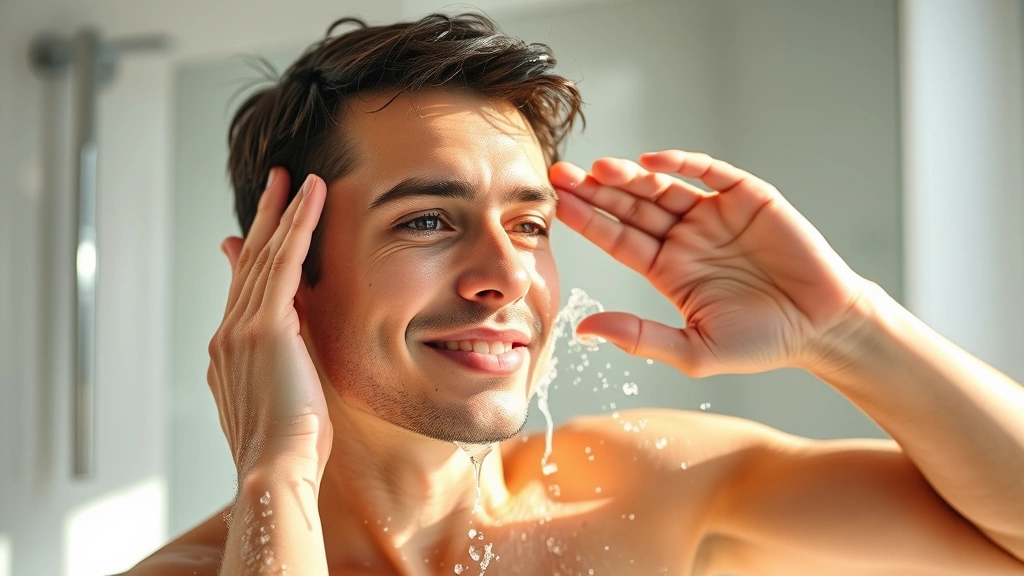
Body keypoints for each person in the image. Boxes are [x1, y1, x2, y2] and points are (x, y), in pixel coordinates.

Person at [125, 12, 1024, 576]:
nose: (509, 278)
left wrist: (846, 329)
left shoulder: (650, 494)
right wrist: (274, 472)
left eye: (529, 225)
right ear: (273, 277)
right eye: (429, 220)